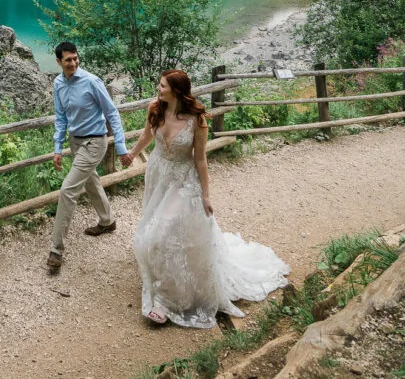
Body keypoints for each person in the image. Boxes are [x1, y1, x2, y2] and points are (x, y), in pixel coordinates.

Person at [127, 69, 289, 326]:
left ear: (177, 91)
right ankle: (165, 274)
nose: (158, 89)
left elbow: (201, 160)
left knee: (162, 233)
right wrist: (132, 153)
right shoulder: (154, 108)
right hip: (158, 173)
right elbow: (147, 134)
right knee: (157, 226)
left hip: (183, 181)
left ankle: (166, 302)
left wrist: (205, 195)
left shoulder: (197, 119)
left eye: (162, 86)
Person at [46, 41, 133, 274]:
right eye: (68, 60)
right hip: (76, 142)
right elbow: (61, 117)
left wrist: (122, 147)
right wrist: (57, 147)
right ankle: (107, 221)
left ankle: (56, 250)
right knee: (90, 180)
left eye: (75, 58)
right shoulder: (58, 84)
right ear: (59, 62)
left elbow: (112, 113)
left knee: (68, 189)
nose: (73, 63)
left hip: (95, 141)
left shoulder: (92, 82)